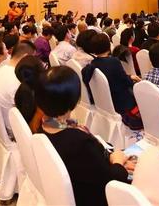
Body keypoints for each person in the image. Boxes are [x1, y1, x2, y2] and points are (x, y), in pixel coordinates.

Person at [36, 66, 133, 206]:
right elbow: (111, 180)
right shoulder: (79, 142)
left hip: (78, 187)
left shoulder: (43, 127)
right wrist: (118, 161)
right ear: (73, 100)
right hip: (96, 196)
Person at [82, 34, 142, 130]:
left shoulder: (93, 64)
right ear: (108, 46)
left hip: (104, 101)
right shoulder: (114, 62)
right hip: (119, 103)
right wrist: (133, 80)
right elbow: (125, 82)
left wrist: (129, 77)